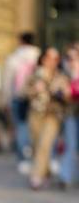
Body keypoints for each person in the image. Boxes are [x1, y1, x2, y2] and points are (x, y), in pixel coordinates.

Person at [25, 47, 71, 190]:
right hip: (36, 113)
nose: (53, 62)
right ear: (43, 59)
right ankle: (46, 172)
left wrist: (61, 93)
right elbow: (23, 92)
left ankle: (36, 176)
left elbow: (67, 96)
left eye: (56, 59)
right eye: (50, 58)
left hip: (53, 115)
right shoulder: (35, 75)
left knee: (45, 144)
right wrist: (34, 89)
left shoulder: (61, 76)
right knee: (37, 145)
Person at [2, 32, 41, 173]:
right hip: (38, 98)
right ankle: (35, 155)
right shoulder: (39, 56)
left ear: (20, 41)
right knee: (35, 127)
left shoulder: (14, 58)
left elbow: (7, 81)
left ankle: (23, 158)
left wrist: (5, 99)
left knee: (21, 127)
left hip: (18, 96)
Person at [59, 45, 79, 188]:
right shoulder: (64, 75)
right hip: (71, 113)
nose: (71, 61)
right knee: (70, 145)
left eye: (74, 57)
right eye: (69, 58)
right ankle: (66, 177)